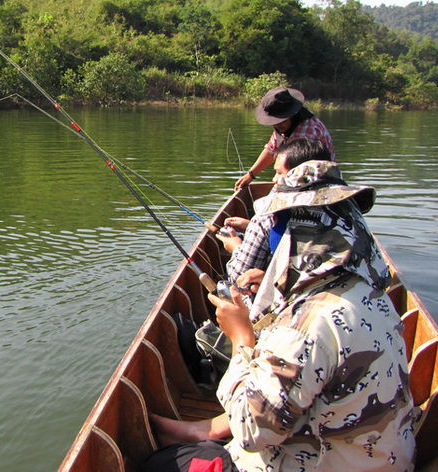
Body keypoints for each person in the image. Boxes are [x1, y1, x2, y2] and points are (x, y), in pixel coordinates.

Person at [148, 160, 415, 471]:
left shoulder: (309, 322)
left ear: (298, 232)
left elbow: (251, 432)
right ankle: (203, 430)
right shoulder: (369, 291)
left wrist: (241, 340)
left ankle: (201, 434)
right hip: (380, 459)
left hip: (324, 462)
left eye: (278, 225)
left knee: (165, 463)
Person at [219, 138, 333, 293]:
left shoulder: (266, 218)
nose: (274, 179)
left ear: (296, 176)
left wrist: (236, 247)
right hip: (335, 296)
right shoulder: (343, 212)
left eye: (279, 173)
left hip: (292, 304)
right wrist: (249, 226)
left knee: (230, 289)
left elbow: (238, 277)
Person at [234, 87, 335, 191]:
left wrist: (277, 187)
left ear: (292, 114)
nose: (278, 125)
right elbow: (271, 149)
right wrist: (250, 175)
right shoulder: (285, 126)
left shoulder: (306, 133)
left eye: (281, 121)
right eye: (274, 123)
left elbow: (297, 172)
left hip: (316, 185)